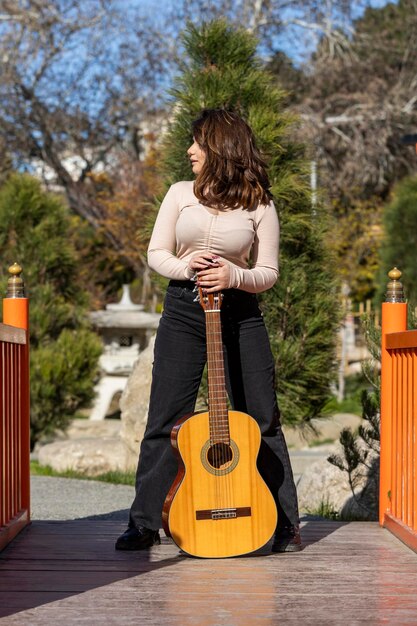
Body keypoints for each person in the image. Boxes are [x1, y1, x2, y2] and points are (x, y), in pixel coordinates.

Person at [115, 108, 301, 554]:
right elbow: (156, 252)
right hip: (184, 309)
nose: (189, 150)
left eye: (197, 142)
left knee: (260, 417)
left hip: (241, 314)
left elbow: (269, 271)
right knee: (166, 416)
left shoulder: (260, 203)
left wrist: (234, 277)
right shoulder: (180, 194)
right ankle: (144, 522)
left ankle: (282, 523)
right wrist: (185, 266)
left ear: (220, 146)